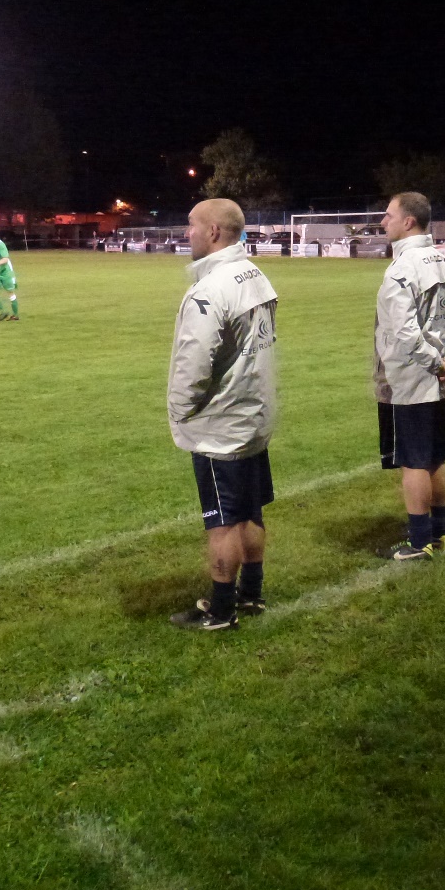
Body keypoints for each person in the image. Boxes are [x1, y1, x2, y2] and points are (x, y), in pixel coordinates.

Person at [167, 198, 279, 631]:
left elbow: (194, 365)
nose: (187, 233)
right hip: (253, 413)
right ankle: (251, 594)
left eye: (191, 225)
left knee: (223, 521)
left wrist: (181, 412)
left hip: (221, 423)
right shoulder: (255, 275)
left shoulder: (210, 289)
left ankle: (220, 610)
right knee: (250, 511)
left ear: (213, 231)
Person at [374, 191, 445, 561]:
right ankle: (440, 533)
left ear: (408, 221)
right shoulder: (442, 261)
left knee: (413, 460)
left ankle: (418, 543)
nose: (383, 221)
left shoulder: (402, 268)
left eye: (388, 215)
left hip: (410, 379)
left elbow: (404, 331)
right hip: (435, 375)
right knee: (434, 457)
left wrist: (435, 363)